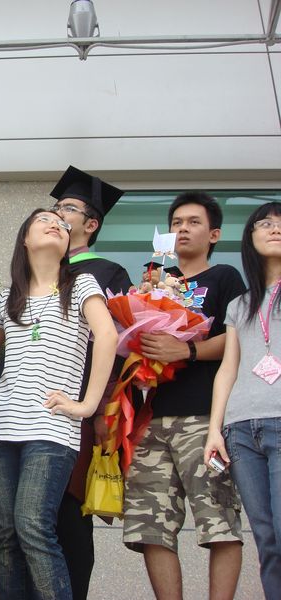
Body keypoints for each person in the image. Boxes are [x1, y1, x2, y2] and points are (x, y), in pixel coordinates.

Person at [0, 208, 117, 599]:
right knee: (7, 535)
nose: (56, 224)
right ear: (25, 238)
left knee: (33, 527)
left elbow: (107, 337)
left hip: (51, 429)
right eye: (44, 220)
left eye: (62, 223)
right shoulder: (8, 296)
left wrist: (87, 405)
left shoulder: (81, 284)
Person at [124, 191, 246, 600]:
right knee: (150, 526)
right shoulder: (152, 280)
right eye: (176, 223)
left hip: (204, 418)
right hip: (150, 419)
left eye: (194, 222)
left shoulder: (225, 277)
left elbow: (237, 338)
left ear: (214, 234)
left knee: (218, 521)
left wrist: (188, 350)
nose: (183, 229)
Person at [51, 166, 131, 599]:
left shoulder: (108, 272)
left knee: (68, 512)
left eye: (67, 207)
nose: (57, 213)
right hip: (31, 408)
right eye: (55, 207)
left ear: (91, 224)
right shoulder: (37, 271)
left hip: (79, 410)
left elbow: (119, 348)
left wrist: (103, 410)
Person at [204, 202, 281, 599]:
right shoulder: (239, 305)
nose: (275, 228)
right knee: (266, 540)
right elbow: (227, 370)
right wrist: (214, 430)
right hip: (240, 432)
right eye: (265, 223)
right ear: (250, 238)